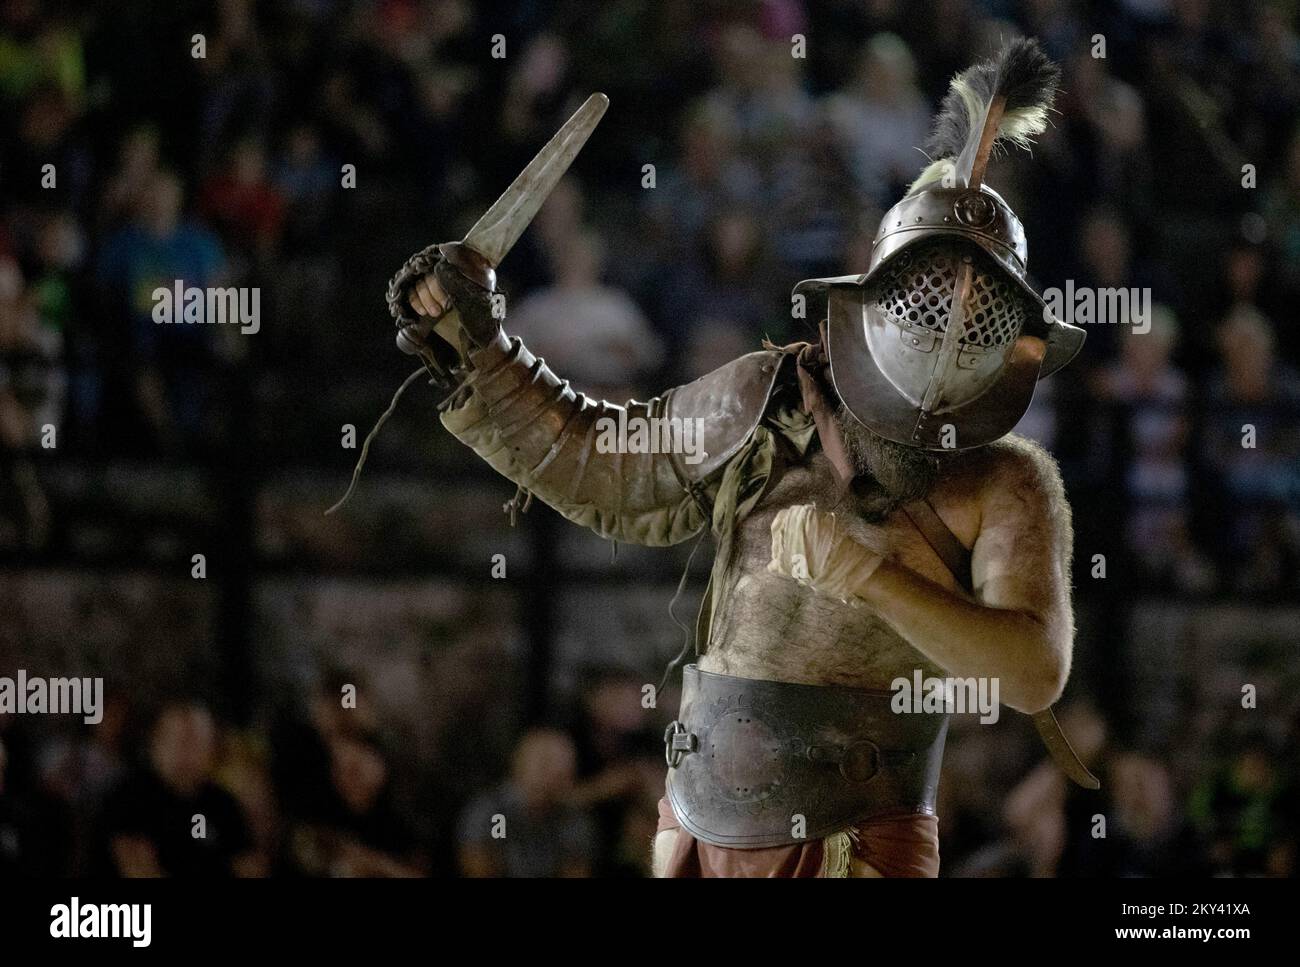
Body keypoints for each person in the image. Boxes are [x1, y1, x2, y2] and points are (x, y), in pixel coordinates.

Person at [394, 39, 1092, 877]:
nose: (954, 312)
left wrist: (872, 577)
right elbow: (601, 459)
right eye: (939, 284)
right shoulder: (771, 394)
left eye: (981, 299)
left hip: (862, 837)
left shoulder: (1008, 478)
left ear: (1013, 326)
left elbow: (1032, 673)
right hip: (697, 817)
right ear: (881, 285)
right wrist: (484, 351)